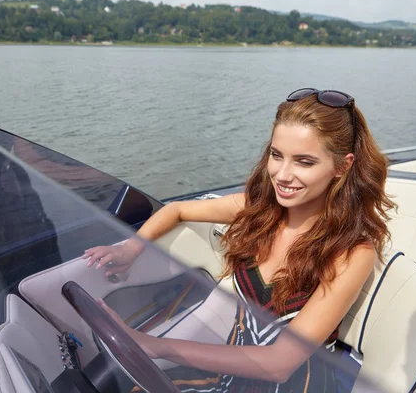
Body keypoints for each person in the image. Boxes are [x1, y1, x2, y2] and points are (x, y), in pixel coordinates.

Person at [82, 88, 396, 392]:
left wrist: (154, 345)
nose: (282, 175)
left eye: (304, 162)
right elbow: (176, 210)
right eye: (277, 155)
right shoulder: (258, 211)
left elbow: (279, 363)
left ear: (343, 166)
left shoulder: (352, 252)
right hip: (235, 372)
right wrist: (131, 249)